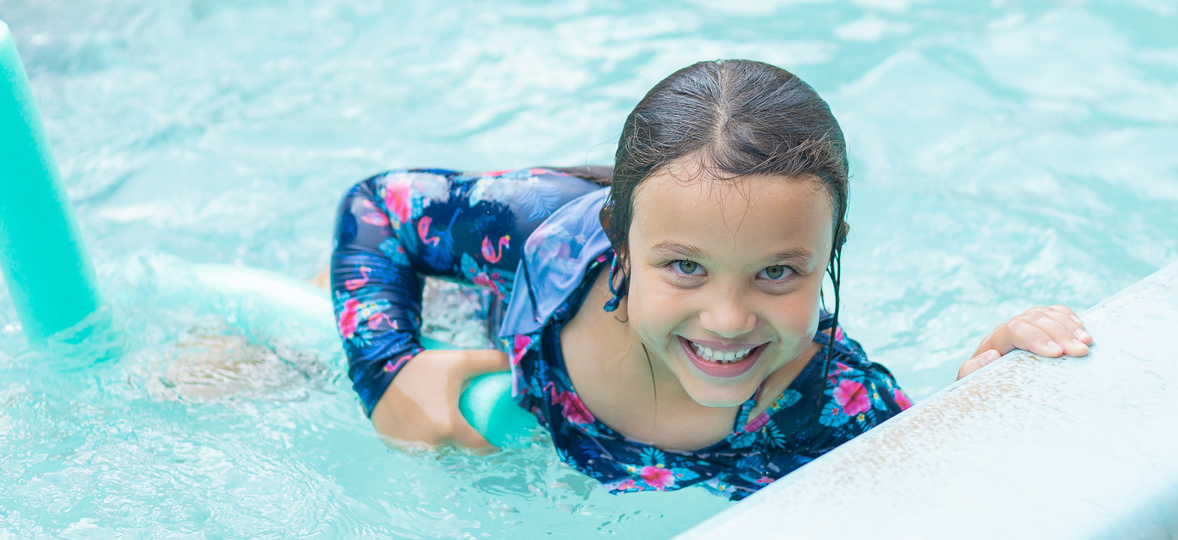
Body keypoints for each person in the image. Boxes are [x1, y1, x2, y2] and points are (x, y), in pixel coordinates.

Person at [327, 59, 1092, 500]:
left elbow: (932, 495)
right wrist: (385, 372)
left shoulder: (823, 400)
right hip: (472, 322)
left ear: (830, 255)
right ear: (621, 247)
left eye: (777, 273)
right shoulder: (536, 233)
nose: (728, 318)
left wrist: (982, 401)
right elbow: (379, 208)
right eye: (685, 266)